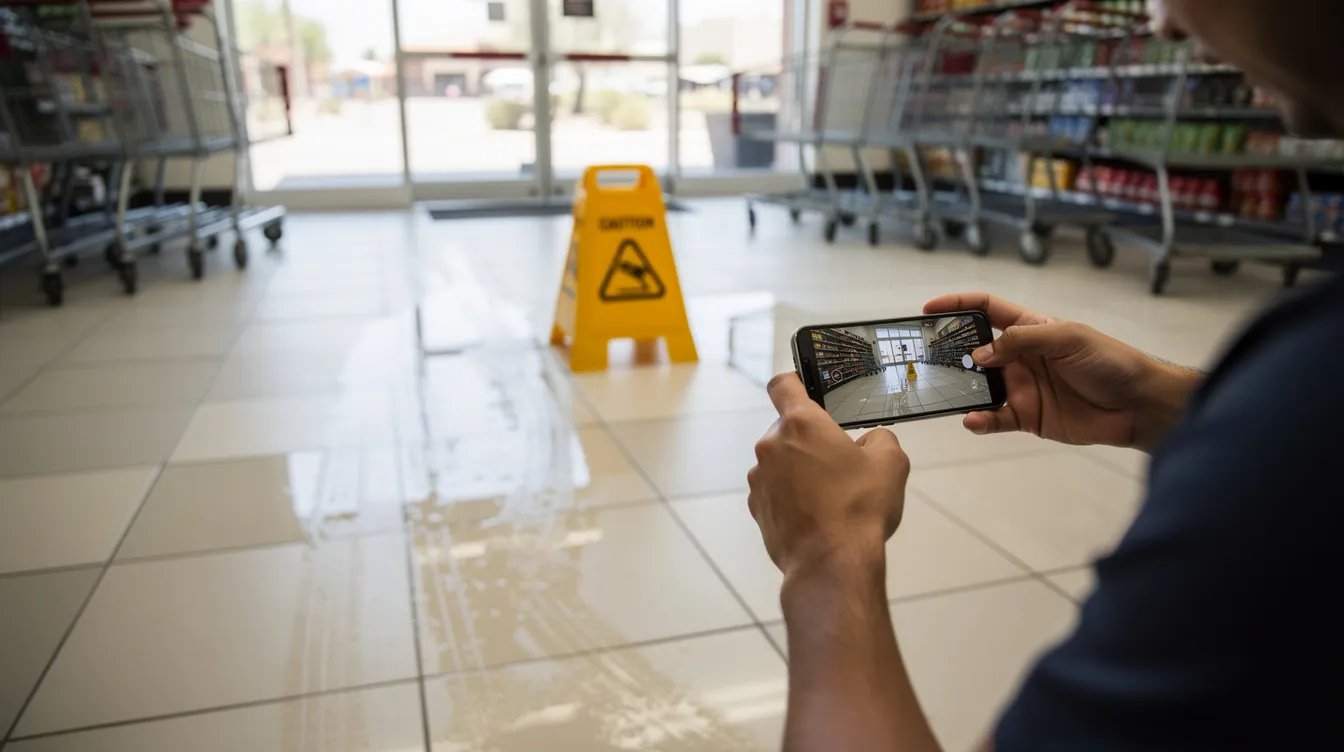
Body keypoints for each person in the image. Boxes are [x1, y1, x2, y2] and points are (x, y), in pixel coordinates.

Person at [746, 1, 1343, 749]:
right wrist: (1165, 405)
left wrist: (827, 553)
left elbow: (1303, 462)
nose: (1162, 24)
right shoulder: (1301, 398)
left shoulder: (1308, 398)